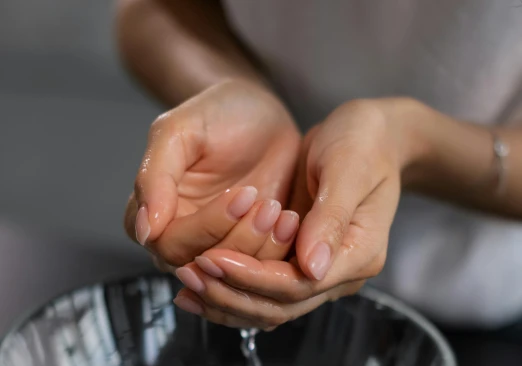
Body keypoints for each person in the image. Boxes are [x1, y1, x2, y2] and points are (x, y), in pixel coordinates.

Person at [116, 0, 522, 332]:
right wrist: (229, 86)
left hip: (485, 312)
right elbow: (155, 8)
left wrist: (411, 144)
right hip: (251, 233)